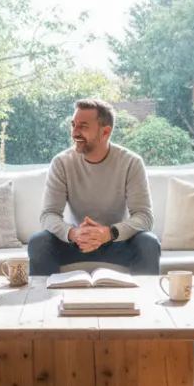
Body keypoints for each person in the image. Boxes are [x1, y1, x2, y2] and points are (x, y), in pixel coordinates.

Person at [28, 99, 160, 277]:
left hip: (116, 242)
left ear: (105, 132)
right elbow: (48, 215)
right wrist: (74, 233)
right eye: (73, 125)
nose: (74, 133)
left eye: (82, 126)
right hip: (76, 243)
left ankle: (144, 303)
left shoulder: (131, 163)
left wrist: (108, 233)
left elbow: (144, 217)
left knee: (148, 243)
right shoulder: (61, 163)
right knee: (39, 242)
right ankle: (42, 304)